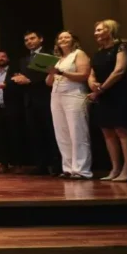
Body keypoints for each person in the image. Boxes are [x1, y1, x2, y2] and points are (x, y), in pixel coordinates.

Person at [89, 19, 127, 182]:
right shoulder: (98, 53)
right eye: (96, 30)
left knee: (122, 130)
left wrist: (101, 89)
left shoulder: (122, 46)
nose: (96, 33)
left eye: (100, 30)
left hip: (118, 93)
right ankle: (115, 168)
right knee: (107, 132)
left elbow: (119, 70)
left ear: (110, 30)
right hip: (102, 95)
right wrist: (93, 84)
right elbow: (91, 74)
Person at [45, 31, 92, 179]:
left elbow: (84, 75)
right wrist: (51, 72)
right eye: (60, 37)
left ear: (73, 40)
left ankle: (81, 170)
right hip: (56, 95)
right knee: (62, 133)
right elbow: (48, 82)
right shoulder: (58, 59)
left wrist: (61, 72)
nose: (63, 39)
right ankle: (68, 168)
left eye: (67, 37)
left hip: (73, 94)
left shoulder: (78, 54)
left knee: (78, 133)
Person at [13, 30, 61, 175]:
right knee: (35, 134)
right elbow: (23, 76)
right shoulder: (24, 59)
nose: (29, 42)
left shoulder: (50, 54)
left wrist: (29, 80)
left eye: (32, 38)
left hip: (46, 98)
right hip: (29, 101)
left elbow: (50, 75)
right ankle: (41, 165)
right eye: (26, 40)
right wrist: (18, 79)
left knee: (51, 132)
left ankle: (56, 165)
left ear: (41, 39)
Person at [0, 51, 25, 173]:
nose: (0, 58)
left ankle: (18, 165)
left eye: (3, 56)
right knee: (0, 138)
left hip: (12, 108)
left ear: (7, 59)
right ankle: (4, 164)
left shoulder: (15, 72)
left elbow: (21, 89)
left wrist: (8, 86)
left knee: (15, 136)